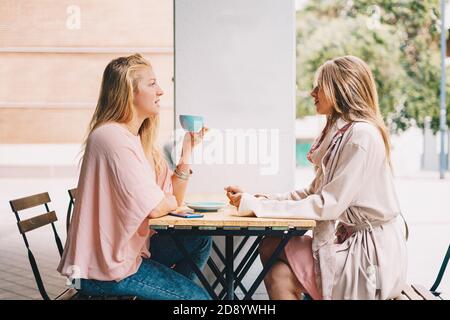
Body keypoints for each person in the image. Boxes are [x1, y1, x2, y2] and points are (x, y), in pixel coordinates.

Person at [225, 55, 408, 300]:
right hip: (359, 247)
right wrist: (260, 199)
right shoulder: (347, 133)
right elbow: (315, 193)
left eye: (319, 86)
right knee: (277, 272)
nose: (313, 93)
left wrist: (258, 206)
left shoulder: (360, 136)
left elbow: (327, 205)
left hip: (370, 259)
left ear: (340, 90)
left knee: (271, 248)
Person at [58, 53, 211, 300]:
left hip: (127, 254)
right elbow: (157, 207)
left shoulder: (136, 141)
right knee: (199, 300)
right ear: (128, 92)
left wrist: (187, 152)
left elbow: (174, 199)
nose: (160, 91)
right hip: (102, 272)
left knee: (199, 239)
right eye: (151, 84)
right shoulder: (111, 137)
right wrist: (166, 203)